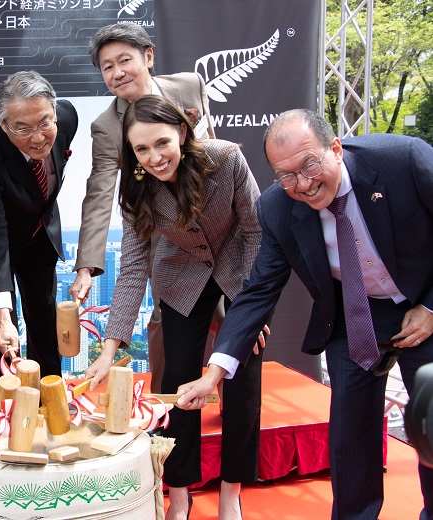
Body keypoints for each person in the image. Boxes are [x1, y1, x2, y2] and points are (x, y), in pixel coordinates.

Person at [177, 109, 433, 520]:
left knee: (432, 428)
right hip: (355, 317)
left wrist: (432, 308)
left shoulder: (403, 159)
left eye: (309, 164)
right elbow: (259, 290)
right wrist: (213, 373)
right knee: (349, 439)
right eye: (286, 175)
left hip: (424, 303)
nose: (303, 184)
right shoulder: (277, 208)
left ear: (335, 148)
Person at [83, 95, 264, 520]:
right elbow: (131, 267)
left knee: (241, 376)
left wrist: (251, 310)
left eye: (162, 142)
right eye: (141, 149)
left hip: (239, 266)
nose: (155, 157)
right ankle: (179, 490)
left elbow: (257, 233)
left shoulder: (226, 160)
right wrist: (110, 350)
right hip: (181, 274)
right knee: (179, 382)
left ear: (182, 133)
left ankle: (231, 491)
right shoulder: (137, 185)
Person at [69, 23, 216, 395]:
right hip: (161, 229)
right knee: (168, 319)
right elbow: (100, 191)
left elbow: (211, 148)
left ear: (148, 57)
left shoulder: (188, 87)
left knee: (230, 319)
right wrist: (87, 265)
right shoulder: (106, 126)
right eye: (106, 66)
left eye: (124, 60)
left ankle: (231, 397)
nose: (116, 73)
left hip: (210, 222)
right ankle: (167, 403)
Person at [0, 71, 78, 379]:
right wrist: (3, 315)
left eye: (45, 122)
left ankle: (50, 391)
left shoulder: (67, 118)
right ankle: (10, 397)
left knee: (43, 314)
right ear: (4, 126)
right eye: (22, 128)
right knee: (2, 325)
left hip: (37, 231)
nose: (38, 137)